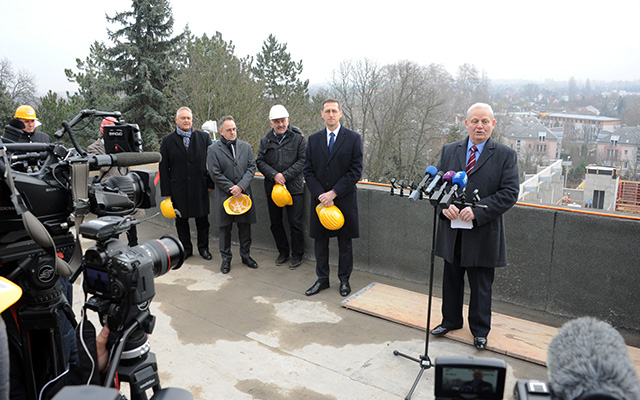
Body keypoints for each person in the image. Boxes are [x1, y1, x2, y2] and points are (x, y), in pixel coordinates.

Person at [429, 102, 519, 350]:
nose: (480, 126)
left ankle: (480, 331)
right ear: (466, 123)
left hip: (483, 233)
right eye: (475, 121)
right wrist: (442, 206)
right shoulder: (449, 151)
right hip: (452, 231)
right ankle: (450, 321)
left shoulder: (505, 155)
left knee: (481, 286)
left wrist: (478, 211)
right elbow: (436, 186)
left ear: (493, 124)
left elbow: (510, 193)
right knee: (451, 280)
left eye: (485, 121)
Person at [303, 99, 363, 297]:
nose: (330, 114)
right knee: (320, 243)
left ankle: (344, 280)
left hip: (343, 199)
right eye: (327, 111)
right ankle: (322, 279)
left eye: (334, 111)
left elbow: (355, 171)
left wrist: (334, 193)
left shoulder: (353, 138)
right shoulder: (313, 140)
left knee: (345, 244)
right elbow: (308, 171)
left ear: (340, 113)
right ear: (322, 114)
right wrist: (321, 195)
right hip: (320, 202)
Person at [256, 105, 306, 269]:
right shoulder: (265, 141)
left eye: (283, 121)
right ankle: (283, 252)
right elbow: (260, 161)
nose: (280, 124)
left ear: (288, 121)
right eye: (276, 121)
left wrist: (284, 176)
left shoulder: (298, 139)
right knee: (276, 223)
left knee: (295, 223)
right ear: (271, 123)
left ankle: (297, 255)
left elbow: (303, 161)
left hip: (294, 188)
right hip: (272, 189)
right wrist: (274, 175)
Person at [207, 116, 258, 274]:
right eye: (228, 130)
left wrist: (241, 187)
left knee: (245, 227)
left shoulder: (246, 147)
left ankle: (246, 256)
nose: (232, 132)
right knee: (225, 229)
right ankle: (226, 259)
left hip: (243, 196)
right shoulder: (213, 150)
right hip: (225, 196)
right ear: (221, 131)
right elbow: (214, 173)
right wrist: (232, 188)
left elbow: (251, 168)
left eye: (234, 129)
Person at [159, 107, 212, 260]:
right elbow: (163, 167)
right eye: (183, 118)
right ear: (176, 120)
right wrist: (166, 192)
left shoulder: (204, 138)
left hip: (200, 187)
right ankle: (186, 249)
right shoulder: (168, 141)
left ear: (192, 120)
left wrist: (210, 184)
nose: (186, 121)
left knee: (203, 221)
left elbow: (211, 165)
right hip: (178, 189)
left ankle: (204, 249)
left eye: (188, 118)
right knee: (181, 221)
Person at [87, 117, 145, 246]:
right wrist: (112, 149)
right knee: (112, 228)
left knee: (131, 223)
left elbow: (132, 158)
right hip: (109, 191)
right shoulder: (93, 148)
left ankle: (134, 247)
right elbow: (104, 166)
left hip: (126, 186)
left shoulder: (123, 144)